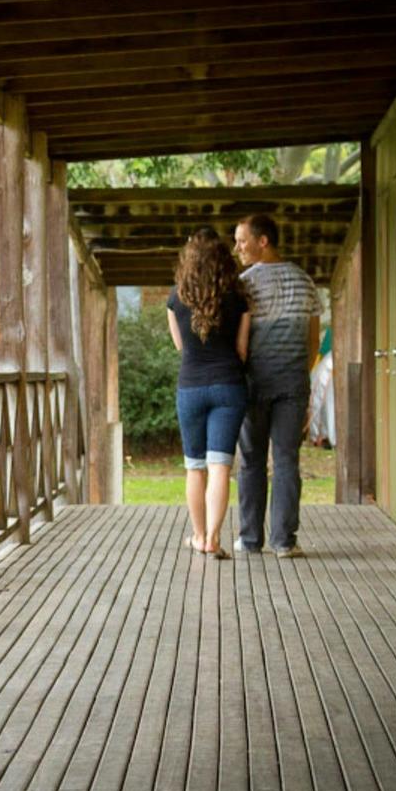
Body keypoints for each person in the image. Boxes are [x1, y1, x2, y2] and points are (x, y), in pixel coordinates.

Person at [232, 214, 321, 558]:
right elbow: (313, 341)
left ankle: (250, 539)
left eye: (242, 241)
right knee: (286, 460)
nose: (237, 248)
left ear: (263, 241)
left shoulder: (244, 285)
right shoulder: (305, 281)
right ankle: (284, 541)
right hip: (293, 382)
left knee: (251, 460)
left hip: (255, 382)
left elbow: (238, 340)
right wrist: (299, 372)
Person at [166, 228, 251, 558]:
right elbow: (242, 350)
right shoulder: (238, 296)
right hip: (229, 385)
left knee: (195, 466)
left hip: (191, 387)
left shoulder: (176, 298)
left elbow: (180, 346)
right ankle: (214, 538)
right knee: (220, 466)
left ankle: (199, 536)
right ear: (223, 258)